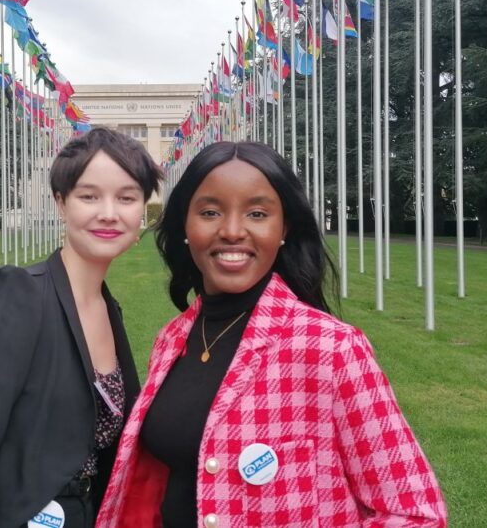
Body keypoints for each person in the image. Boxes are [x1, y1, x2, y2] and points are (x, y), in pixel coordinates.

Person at [96, 141, 446, 527]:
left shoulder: (331, 348)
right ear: (185, 225)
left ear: (284, 228)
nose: (232, 231)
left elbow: (414, 513)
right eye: (210, 212)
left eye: (257, 213)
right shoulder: (172, 339)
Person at [0, 127, 163, 528]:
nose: (109, 212)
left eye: (127, 197)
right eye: (89, 195)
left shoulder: (106, 307)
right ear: (60, 204)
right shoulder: (16, 294)